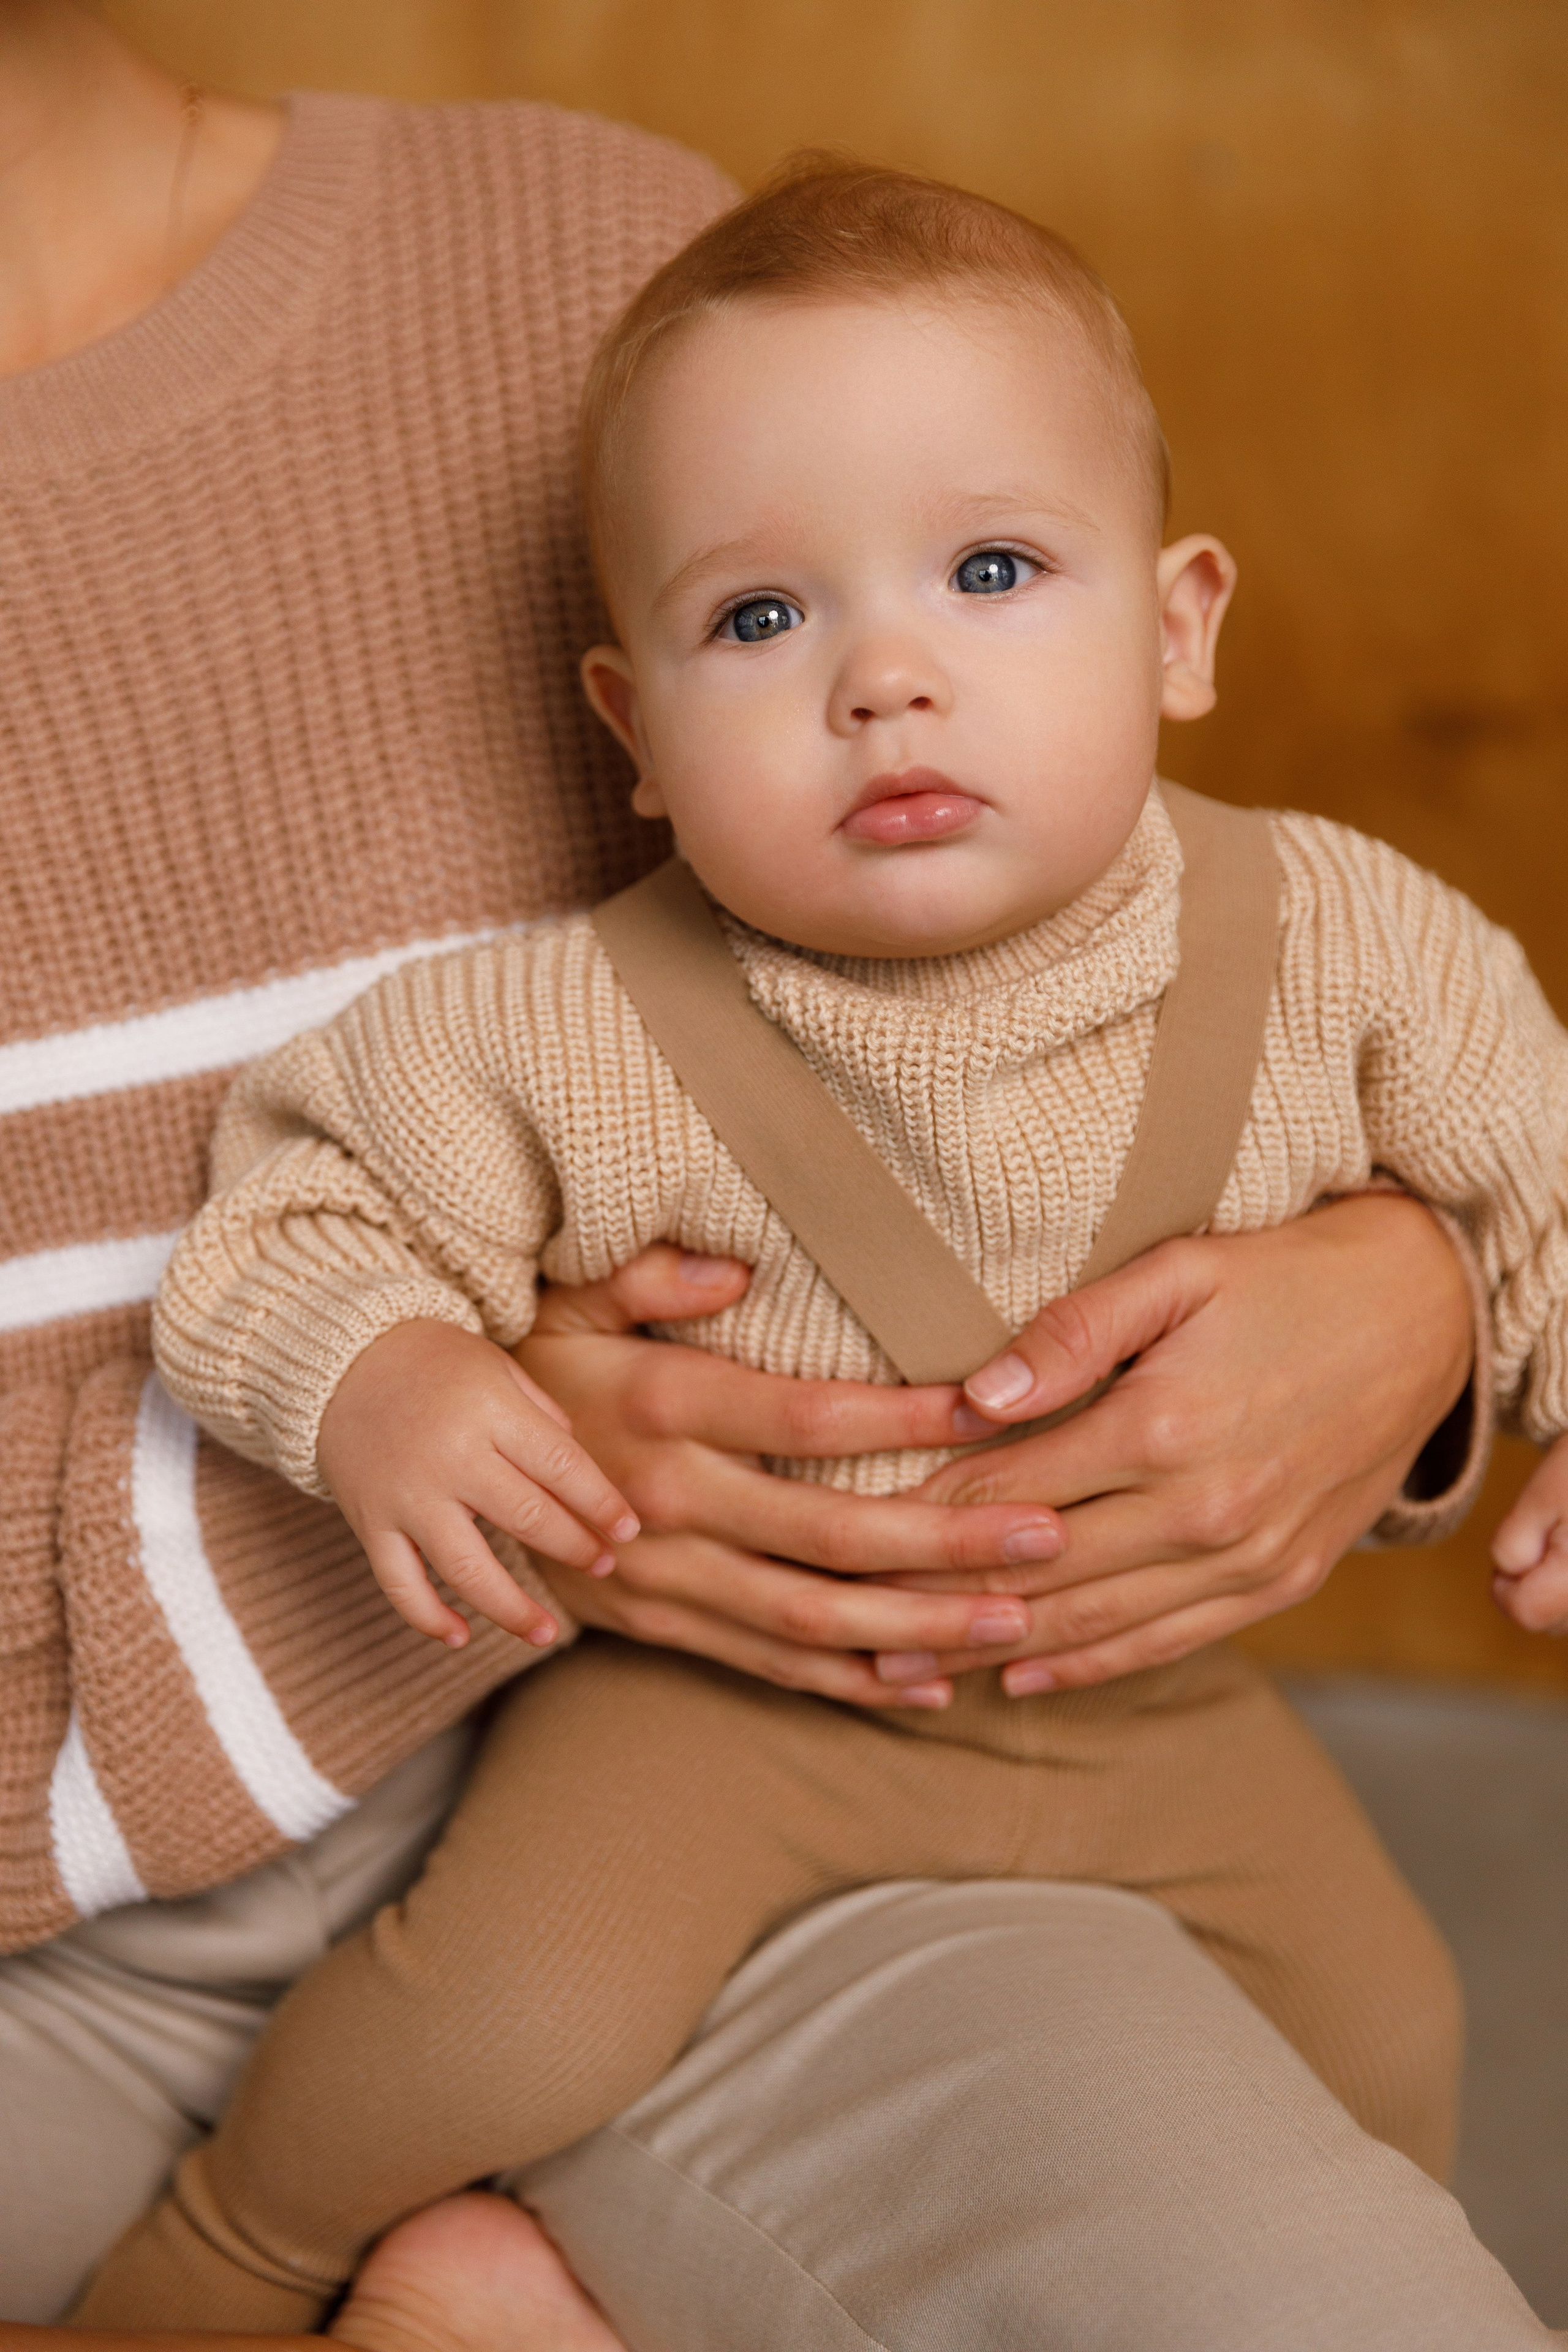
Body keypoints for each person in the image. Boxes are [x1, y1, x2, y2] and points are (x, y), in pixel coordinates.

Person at [0, 5, 1539, 2345]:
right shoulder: (573, 1030)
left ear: (1185, 621)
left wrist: (1442, 1314)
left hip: (1117, 1724)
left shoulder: (1333, 927)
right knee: (494, 2011)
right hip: (694, 1730)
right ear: (631, 726)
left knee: (1393, 2023)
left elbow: (1530, 1141)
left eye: (999, 576)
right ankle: (215, 2284)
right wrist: (399, 1392)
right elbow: (301, 1215)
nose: (886, 682)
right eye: (761, 622)